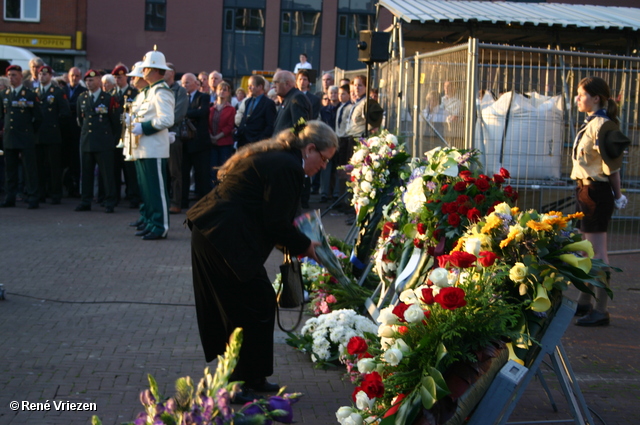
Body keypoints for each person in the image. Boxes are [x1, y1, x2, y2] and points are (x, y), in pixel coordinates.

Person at [186, 120, 337, 403]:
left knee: (259, 301)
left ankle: (253, 376)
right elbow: (276, 222)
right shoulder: (287, 165)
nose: (324, 166)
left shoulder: (283, 160)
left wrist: (301, 239)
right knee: (240, 308)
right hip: (221, 237)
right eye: (325, 158)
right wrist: (305, 245)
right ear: (311, 148)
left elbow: (278, 214)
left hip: (221, 234)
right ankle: (233, 382)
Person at [571, 76, 629, 327]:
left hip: (597, 192)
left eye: (582, 94)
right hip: (584, 191)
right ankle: (585, 301)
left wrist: (618, 195)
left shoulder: (603, 125)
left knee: (599, 255)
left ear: (596, 98)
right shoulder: (591, 123)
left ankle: (601, 309)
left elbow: (612, 166)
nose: (577, 99)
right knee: (585, 251)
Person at [128, 48, 175, 240]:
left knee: (156, 191)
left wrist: (144, 127)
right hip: (144, 147)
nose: (143, 71)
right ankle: (151, 222)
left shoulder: (161, 91)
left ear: (156, 70)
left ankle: (160, 226)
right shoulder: (150, 91)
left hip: (154, 147)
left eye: (146, 68)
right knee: (148, 190)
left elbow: (166, 119)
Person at [75, 70, 120, 213]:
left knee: (107, 174)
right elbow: (81, 120)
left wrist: (112, 141)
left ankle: (109, 201)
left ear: (99, 81)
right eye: (87, 80)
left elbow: (115, 123)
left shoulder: (108, 98)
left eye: (92, 80)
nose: (89, 82)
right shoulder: (81, 98)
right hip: (87, 141)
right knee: (86, 173)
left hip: (103, 141)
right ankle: (85, 201)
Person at [0, 65, 42, 209]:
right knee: (10, 169)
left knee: (29, 169)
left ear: (20, 77)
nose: (11, 78)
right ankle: (10, 197)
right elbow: (2, 116)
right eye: (9, 75)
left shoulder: (29, 94)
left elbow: (38, 118)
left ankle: (32, 197)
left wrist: (29, 132)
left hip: (25, 136)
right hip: (10, 136)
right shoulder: (4, 94)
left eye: (14, 75)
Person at [35, 65, 71, 205]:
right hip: (38, 135)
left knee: (53, 166)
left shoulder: (57, 92)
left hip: (52, 134)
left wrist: (55, 127)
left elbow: (65, 113)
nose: (42, 77)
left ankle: (55, 194)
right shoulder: (35, 92)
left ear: (50, 76)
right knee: (39, 167)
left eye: (45, 74)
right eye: (40, 74)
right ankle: (41, 193)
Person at [111, 65, 141, 208]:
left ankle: (133, 196)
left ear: (126, 78)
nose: (118, 80)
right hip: (115, 135)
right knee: (115, 169)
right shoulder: (111, 94)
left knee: (130, 170)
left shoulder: (133, 93)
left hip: (130, 136)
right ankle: (115, 196)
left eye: (120, 77)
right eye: (116, 77)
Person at [180, 73, 211, 210]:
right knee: (183, 174)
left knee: (202, 174)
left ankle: (204, 204)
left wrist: (186, 113)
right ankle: (182, 202)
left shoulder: (203, 97)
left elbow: (203, 113)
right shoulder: (181, 98)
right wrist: (192, 112)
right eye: (183, 83)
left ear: (195, 83)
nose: (184, 85)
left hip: (200, 143)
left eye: (187, 82)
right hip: (184, 142)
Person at [165, 63, 189, 215]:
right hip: (158, 135)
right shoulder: (159, 89)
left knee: (175, 171)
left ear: (172, 73)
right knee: (162, 172)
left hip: (173, 135)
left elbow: (178, 113)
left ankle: (176, 202)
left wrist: (160, 122)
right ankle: (164, 201)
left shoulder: (180, 91)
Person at [62, 67, 87, 198]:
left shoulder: (83, 92)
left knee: (76, 160)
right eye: (72, 75)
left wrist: (69, 106)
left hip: (76, 130)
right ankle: (67, 185)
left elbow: (77, 107)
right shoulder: (63, 90)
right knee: (64, 159)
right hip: (64, 130)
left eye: (77, 76)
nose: (74, 78)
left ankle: (76, 186)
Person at [235, 75, 276, 148]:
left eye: (251, 85)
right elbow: (244, 120)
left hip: (256, 143)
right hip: (243, 142)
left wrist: (260, 140)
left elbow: (270, 125)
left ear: (260, 87)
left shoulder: (268, 103)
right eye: (248, 86)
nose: (249, 88)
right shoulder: (247, 101)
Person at [209, 81, 236, 186]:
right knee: (212, 169)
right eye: (220, 89)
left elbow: (230, 126)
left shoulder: (231, 109)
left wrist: (217, 137)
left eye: (225, 90)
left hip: (225, 143)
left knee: (223, 168)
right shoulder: (211, 108)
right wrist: (211, 136)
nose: (222, 92)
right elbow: (207, 124)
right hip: (212, 143)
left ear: (229, 93)